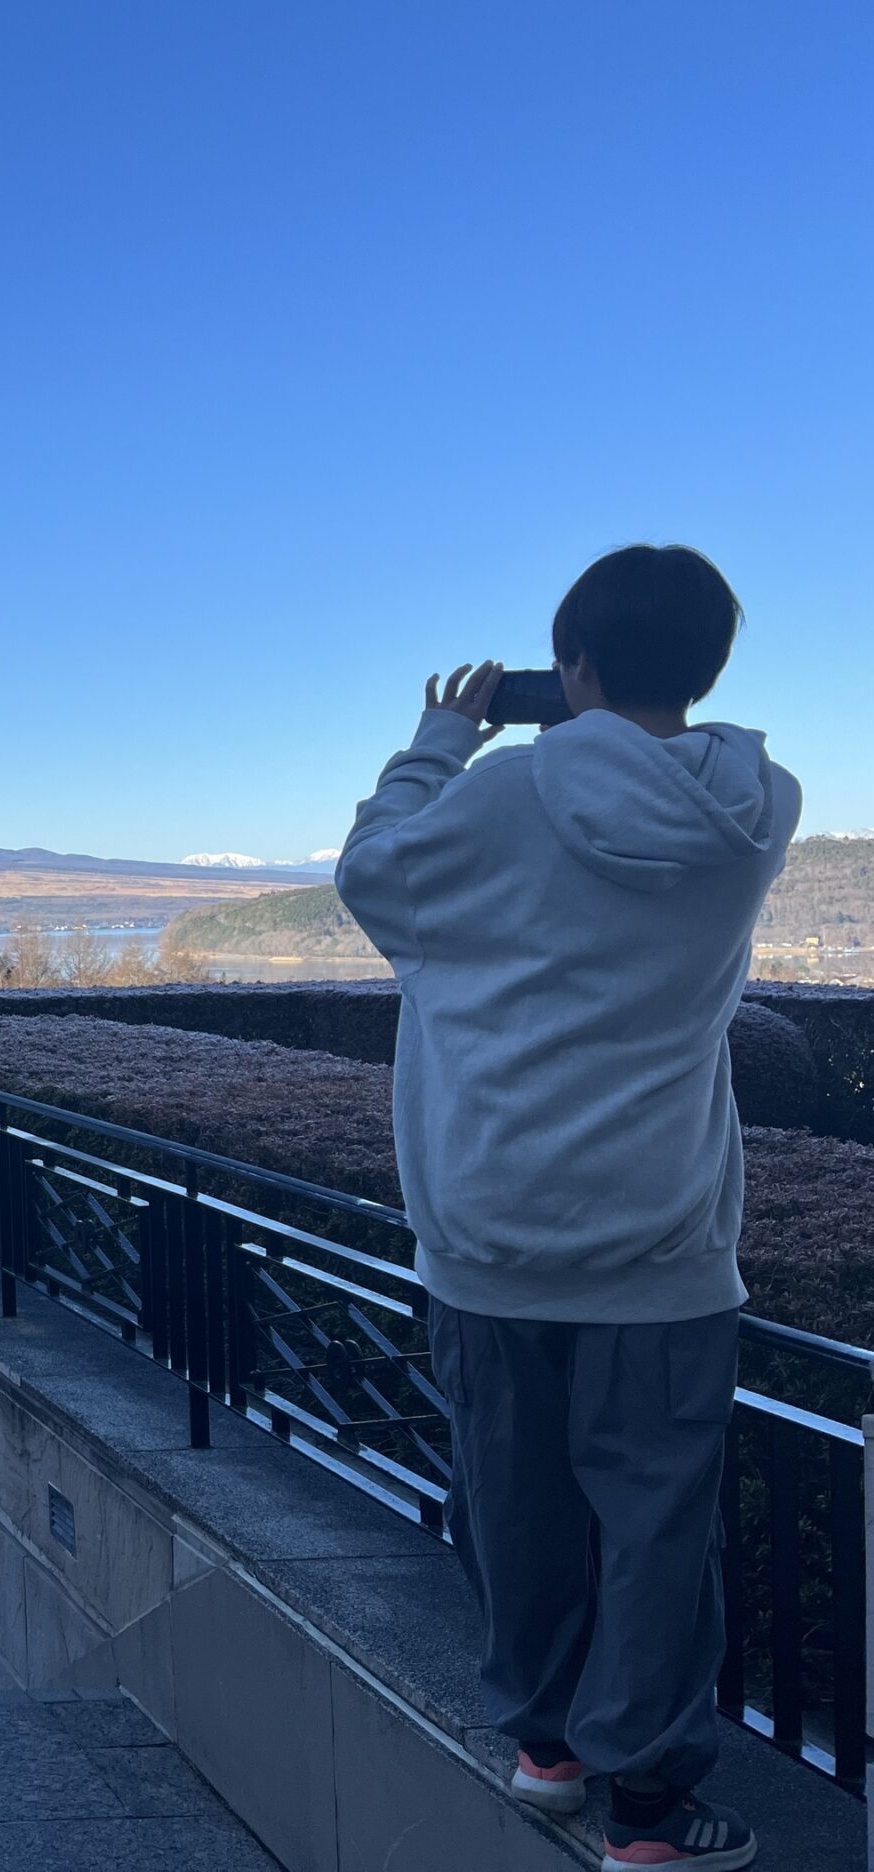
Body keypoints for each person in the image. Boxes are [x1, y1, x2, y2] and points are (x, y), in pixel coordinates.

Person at [334, 545, 799, 1872]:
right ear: (708, 667)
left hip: (485, 1223)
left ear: (572, 666)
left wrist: (438, 740)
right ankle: (648, 1812)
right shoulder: (752, 808)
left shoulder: (496, 796)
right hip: (661, 1238)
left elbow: (375, 872)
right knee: (657, 1525)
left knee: (511, 1502)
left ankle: (545, 1748)